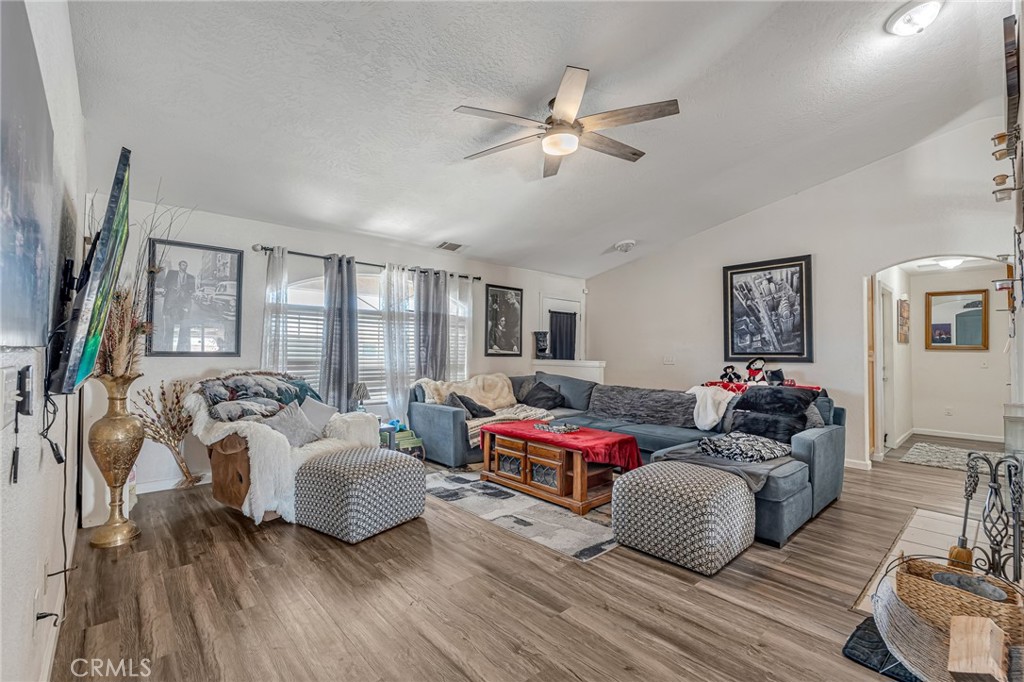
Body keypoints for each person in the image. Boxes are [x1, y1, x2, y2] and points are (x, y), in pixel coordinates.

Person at [161, 259, 196, 351]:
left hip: (183, 303)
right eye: (182, 265)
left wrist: (186, 292)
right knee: (169, 327)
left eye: (185, 265)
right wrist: (172, 288)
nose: (184, 266)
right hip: (171, 303)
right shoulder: (172, 273)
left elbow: (192, 290)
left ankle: (181, 350)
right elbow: (165, 284)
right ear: (179, 265)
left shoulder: (191, 277)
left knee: (184, 328)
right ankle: (167, 349)